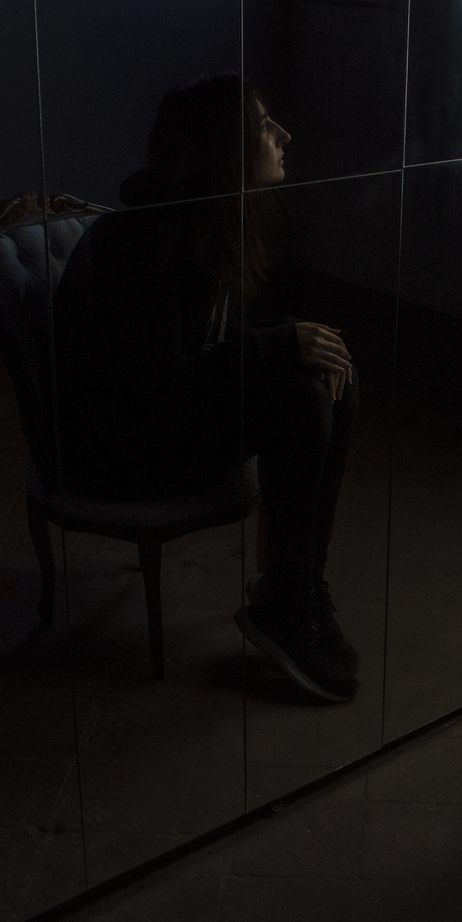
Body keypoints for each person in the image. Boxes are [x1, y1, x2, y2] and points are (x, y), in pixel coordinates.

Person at [54, 74, 361, 702]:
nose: (284, 135)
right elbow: (156, 387)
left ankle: (296, 588)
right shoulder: (144, 243)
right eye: (265, 126)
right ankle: (286, 603)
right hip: (119, 456)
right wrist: (279, 344)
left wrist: (292, 339)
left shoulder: (201, 222)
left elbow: (212, 349)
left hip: (161, 420)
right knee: (302, 399)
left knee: (335, 378)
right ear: (226, 148)